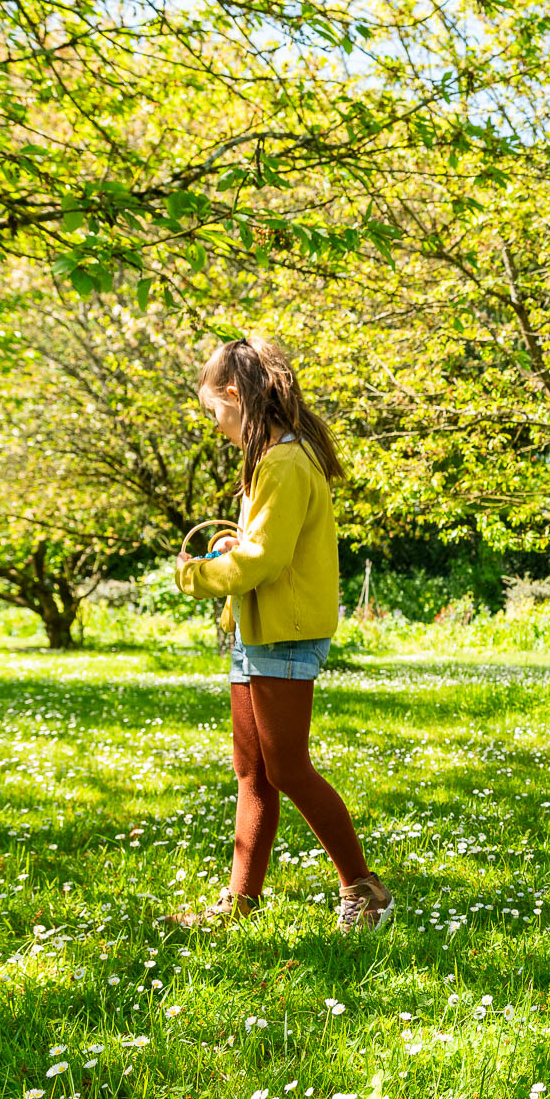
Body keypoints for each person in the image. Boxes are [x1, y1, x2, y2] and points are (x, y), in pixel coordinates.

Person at [165, 336, 394, 933]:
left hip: (284, 634)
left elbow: (265, 561)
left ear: (236, 397)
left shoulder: (286, 462)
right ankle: (240, 904)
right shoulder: (274, 460)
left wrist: (197, 575)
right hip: (259, 631)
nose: (216, 425)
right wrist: (232, 548)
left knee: (287, 768)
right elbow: (267, 547)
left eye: (215, 411)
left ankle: (364, 889)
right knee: (254, 773)